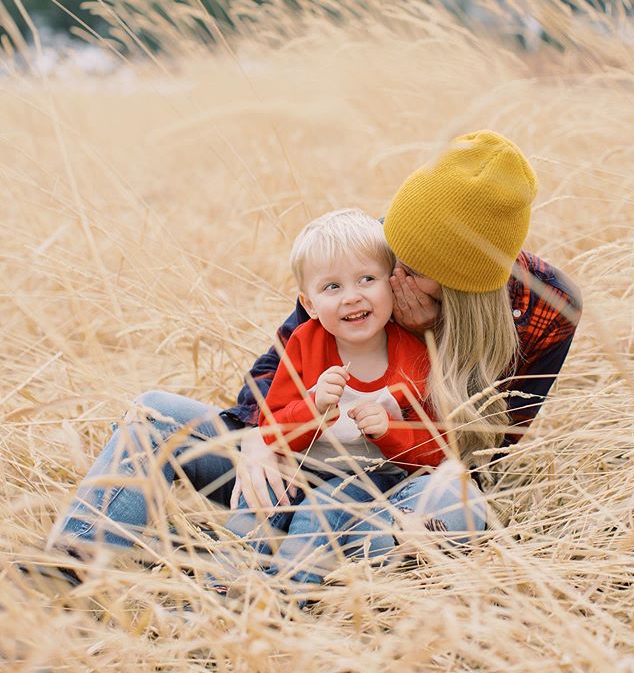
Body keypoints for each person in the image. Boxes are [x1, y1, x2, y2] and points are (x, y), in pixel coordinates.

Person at [44, 130, 580, 590]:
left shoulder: (548, 308)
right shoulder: (365, 252)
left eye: (411, 270)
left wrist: (428, 342)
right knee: (154, 414)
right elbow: (271, 373)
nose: (388, 279)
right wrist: (260, 441)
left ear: (464, 288)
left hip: (387, 489)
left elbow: (485, 448)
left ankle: (275, 585)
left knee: (455, 504)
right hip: (292, 465)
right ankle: (69, 565)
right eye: (393, 254)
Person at [220, 208, 446, 592]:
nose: (352, 297)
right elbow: (272, 429)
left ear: (391, 285)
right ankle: (221, 589)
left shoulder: (414, 354)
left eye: (367, 279)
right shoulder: (305, 343)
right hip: (303, 468)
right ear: (308, 305)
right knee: (260, 499)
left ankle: (286, 596)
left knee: (319, 510)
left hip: (373, 480)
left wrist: (389, 431)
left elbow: (434, 452)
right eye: (332, 287)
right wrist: (313, 409)